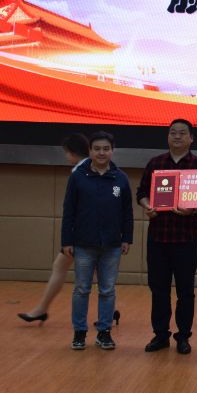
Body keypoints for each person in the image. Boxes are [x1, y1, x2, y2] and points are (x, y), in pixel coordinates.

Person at [136, 119, 197, 355]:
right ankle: (160, 335)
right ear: (168, 136)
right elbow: (141, 193)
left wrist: (194, 209)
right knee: (158, 289)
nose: (177, 136)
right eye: (173, 132)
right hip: (158, 238)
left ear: (191, 138)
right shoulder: (156, 163)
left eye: (182, 133)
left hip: (186, 239)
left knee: (185, 291)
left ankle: (183, 336)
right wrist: (147, 205)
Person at [61, 131, 133, 351]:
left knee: (107, 290)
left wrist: (127, 238)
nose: (101, 153)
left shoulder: (121, 178)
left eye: (106, 149)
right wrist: (66, 241)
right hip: (83, 244)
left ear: (112, 151)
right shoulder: (78, 177)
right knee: (81, 289)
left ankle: (104, 332)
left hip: (112, 245)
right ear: (90, 151)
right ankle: (79, 332)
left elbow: (127, 212)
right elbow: (68, 211)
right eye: (97, 149)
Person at [18, 133, 96, 325]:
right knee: (97, 274)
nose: (65, 157)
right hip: (89, 230)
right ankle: (110, 312)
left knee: (73, 270)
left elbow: (76, 207)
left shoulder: (80, 171)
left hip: (83, 232)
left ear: (72, 152)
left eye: (66, 152)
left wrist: (70, 236)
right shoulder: (92, 167)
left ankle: (42, 310)